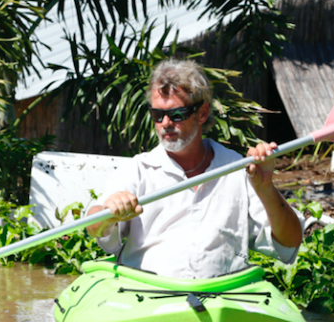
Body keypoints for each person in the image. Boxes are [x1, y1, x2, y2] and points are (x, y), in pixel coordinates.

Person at [85, 58, 302, 279]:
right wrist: (108, 214)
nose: (166, 123)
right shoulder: (138, 169)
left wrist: (265, 187)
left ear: (202, 113)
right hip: (146, 295)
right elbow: (94, 225)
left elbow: (290, 242)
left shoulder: (236, 169)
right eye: (157, 115)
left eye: (177, 114)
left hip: (222, 297)